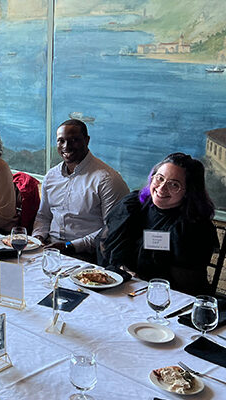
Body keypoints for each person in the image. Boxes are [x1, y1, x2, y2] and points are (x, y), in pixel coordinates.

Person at [99, 153, 218, 296]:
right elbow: (106, 244)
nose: (161, 188)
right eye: (160, 178)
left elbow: (186, 285)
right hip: (125, 287)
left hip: (166, 298)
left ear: (189, 191)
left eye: (174, 184)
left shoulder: (192, 227)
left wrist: (143, 282)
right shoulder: (132, 206)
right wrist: (122, 269)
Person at [33, 119, 129, 261]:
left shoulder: (107, 179)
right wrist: (38, 238)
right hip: (49, 249)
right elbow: (43, 216)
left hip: (87, 255)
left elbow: (111, 229)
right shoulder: (51, 176)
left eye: (74, 140)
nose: (66, 146)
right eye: (61, 141)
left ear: (87, 140)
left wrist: (70, 246)